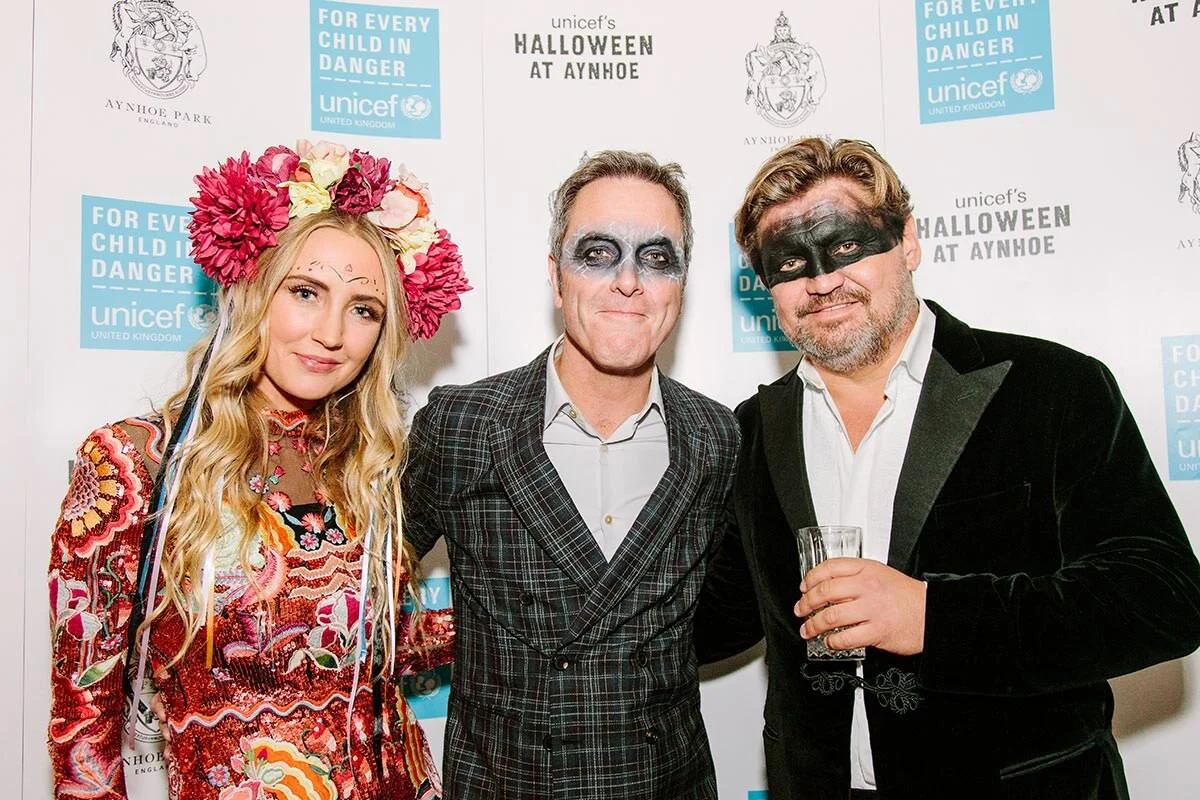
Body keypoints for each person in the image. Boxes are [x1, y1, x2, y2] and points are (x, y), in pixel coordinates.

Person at [696, 137, 1200, 799]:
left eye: (845, 246)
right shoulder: (753, 430)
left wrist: (935, 616)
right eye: (789, 262)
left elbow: (1162, 599)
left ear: (907, 241)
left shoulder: (1052, 389)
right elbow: (716, 617)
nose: (821, 281)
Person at [48, 139, 469, 800]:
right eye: (305, 292)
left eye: (364, 309)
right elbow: (83, 732)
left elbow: (372, 648)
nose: (332, 332)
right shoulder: (134, 465)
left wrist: (516, 612)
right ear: (252, 291)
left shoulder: (367, 463)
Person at [402, 151, 739, 798]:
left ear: (681, 286)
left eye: (657, 258)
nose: (629, 281)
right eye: (598, 253)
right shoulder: (462, 425)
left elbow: (733, 613)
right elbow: (359, 583)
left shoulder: (717, 438)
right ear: (556, 279)